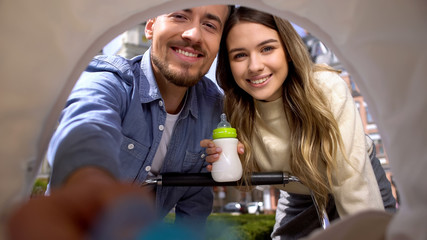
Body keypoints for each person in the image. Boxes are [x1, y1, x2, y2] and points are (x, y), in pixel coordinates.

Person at [7, 5, 233, 240]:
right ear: (150, 26)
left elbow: (195, 203)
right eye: (179, 15)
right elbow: (87, 126)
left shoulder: (213, 107)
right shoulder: (110, 79)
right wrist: (89, 184)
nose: (193, 34)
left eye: (209, 25)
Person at [201, 6, 388, 239]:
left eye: (267, 48)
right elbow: (248, 183)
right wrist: (232, 162)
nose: (255, 66)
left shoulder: (325, 89)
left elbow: (351, 182)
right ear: (228, 64)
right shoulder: (233, 108)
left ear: (288, 50)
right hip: (298, 190)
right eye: (240, 55)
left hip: (354, 177)